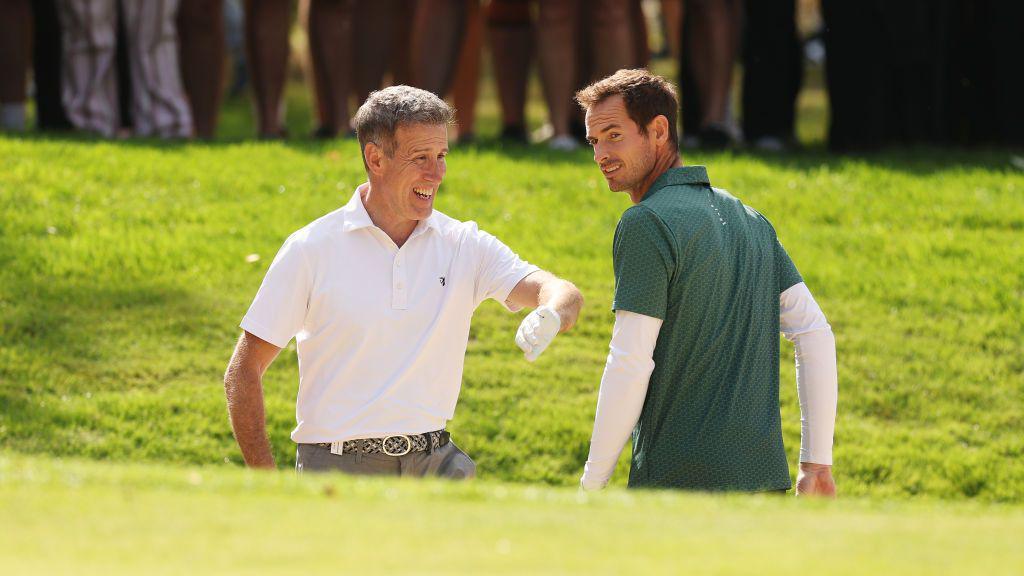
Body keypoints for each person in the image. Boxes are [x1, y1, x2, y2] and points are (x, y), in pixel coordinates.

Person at [224, 86, 584, 477]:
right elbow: (242, 372)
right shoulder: (311, 249)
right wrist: (265, 482)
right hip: (337, 470)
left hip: (440, 464)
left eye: (442, 156)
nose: (437, 173)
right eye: (421, 158)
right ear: (375, 158)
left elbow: (560, 290)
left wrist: (552, 312)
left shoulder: (463, 243)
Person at [575, 69, 837, 494]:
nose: (600, 154)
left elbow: (629, 361)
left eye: (613, 135)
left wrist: (590, 487)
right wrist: (817, 464)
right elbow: (815, 332)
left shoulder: (645, 222)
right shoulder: (751, 219)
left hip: (678, 491)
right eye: (593, 141)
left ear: (658, 130)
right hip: (766, 488)